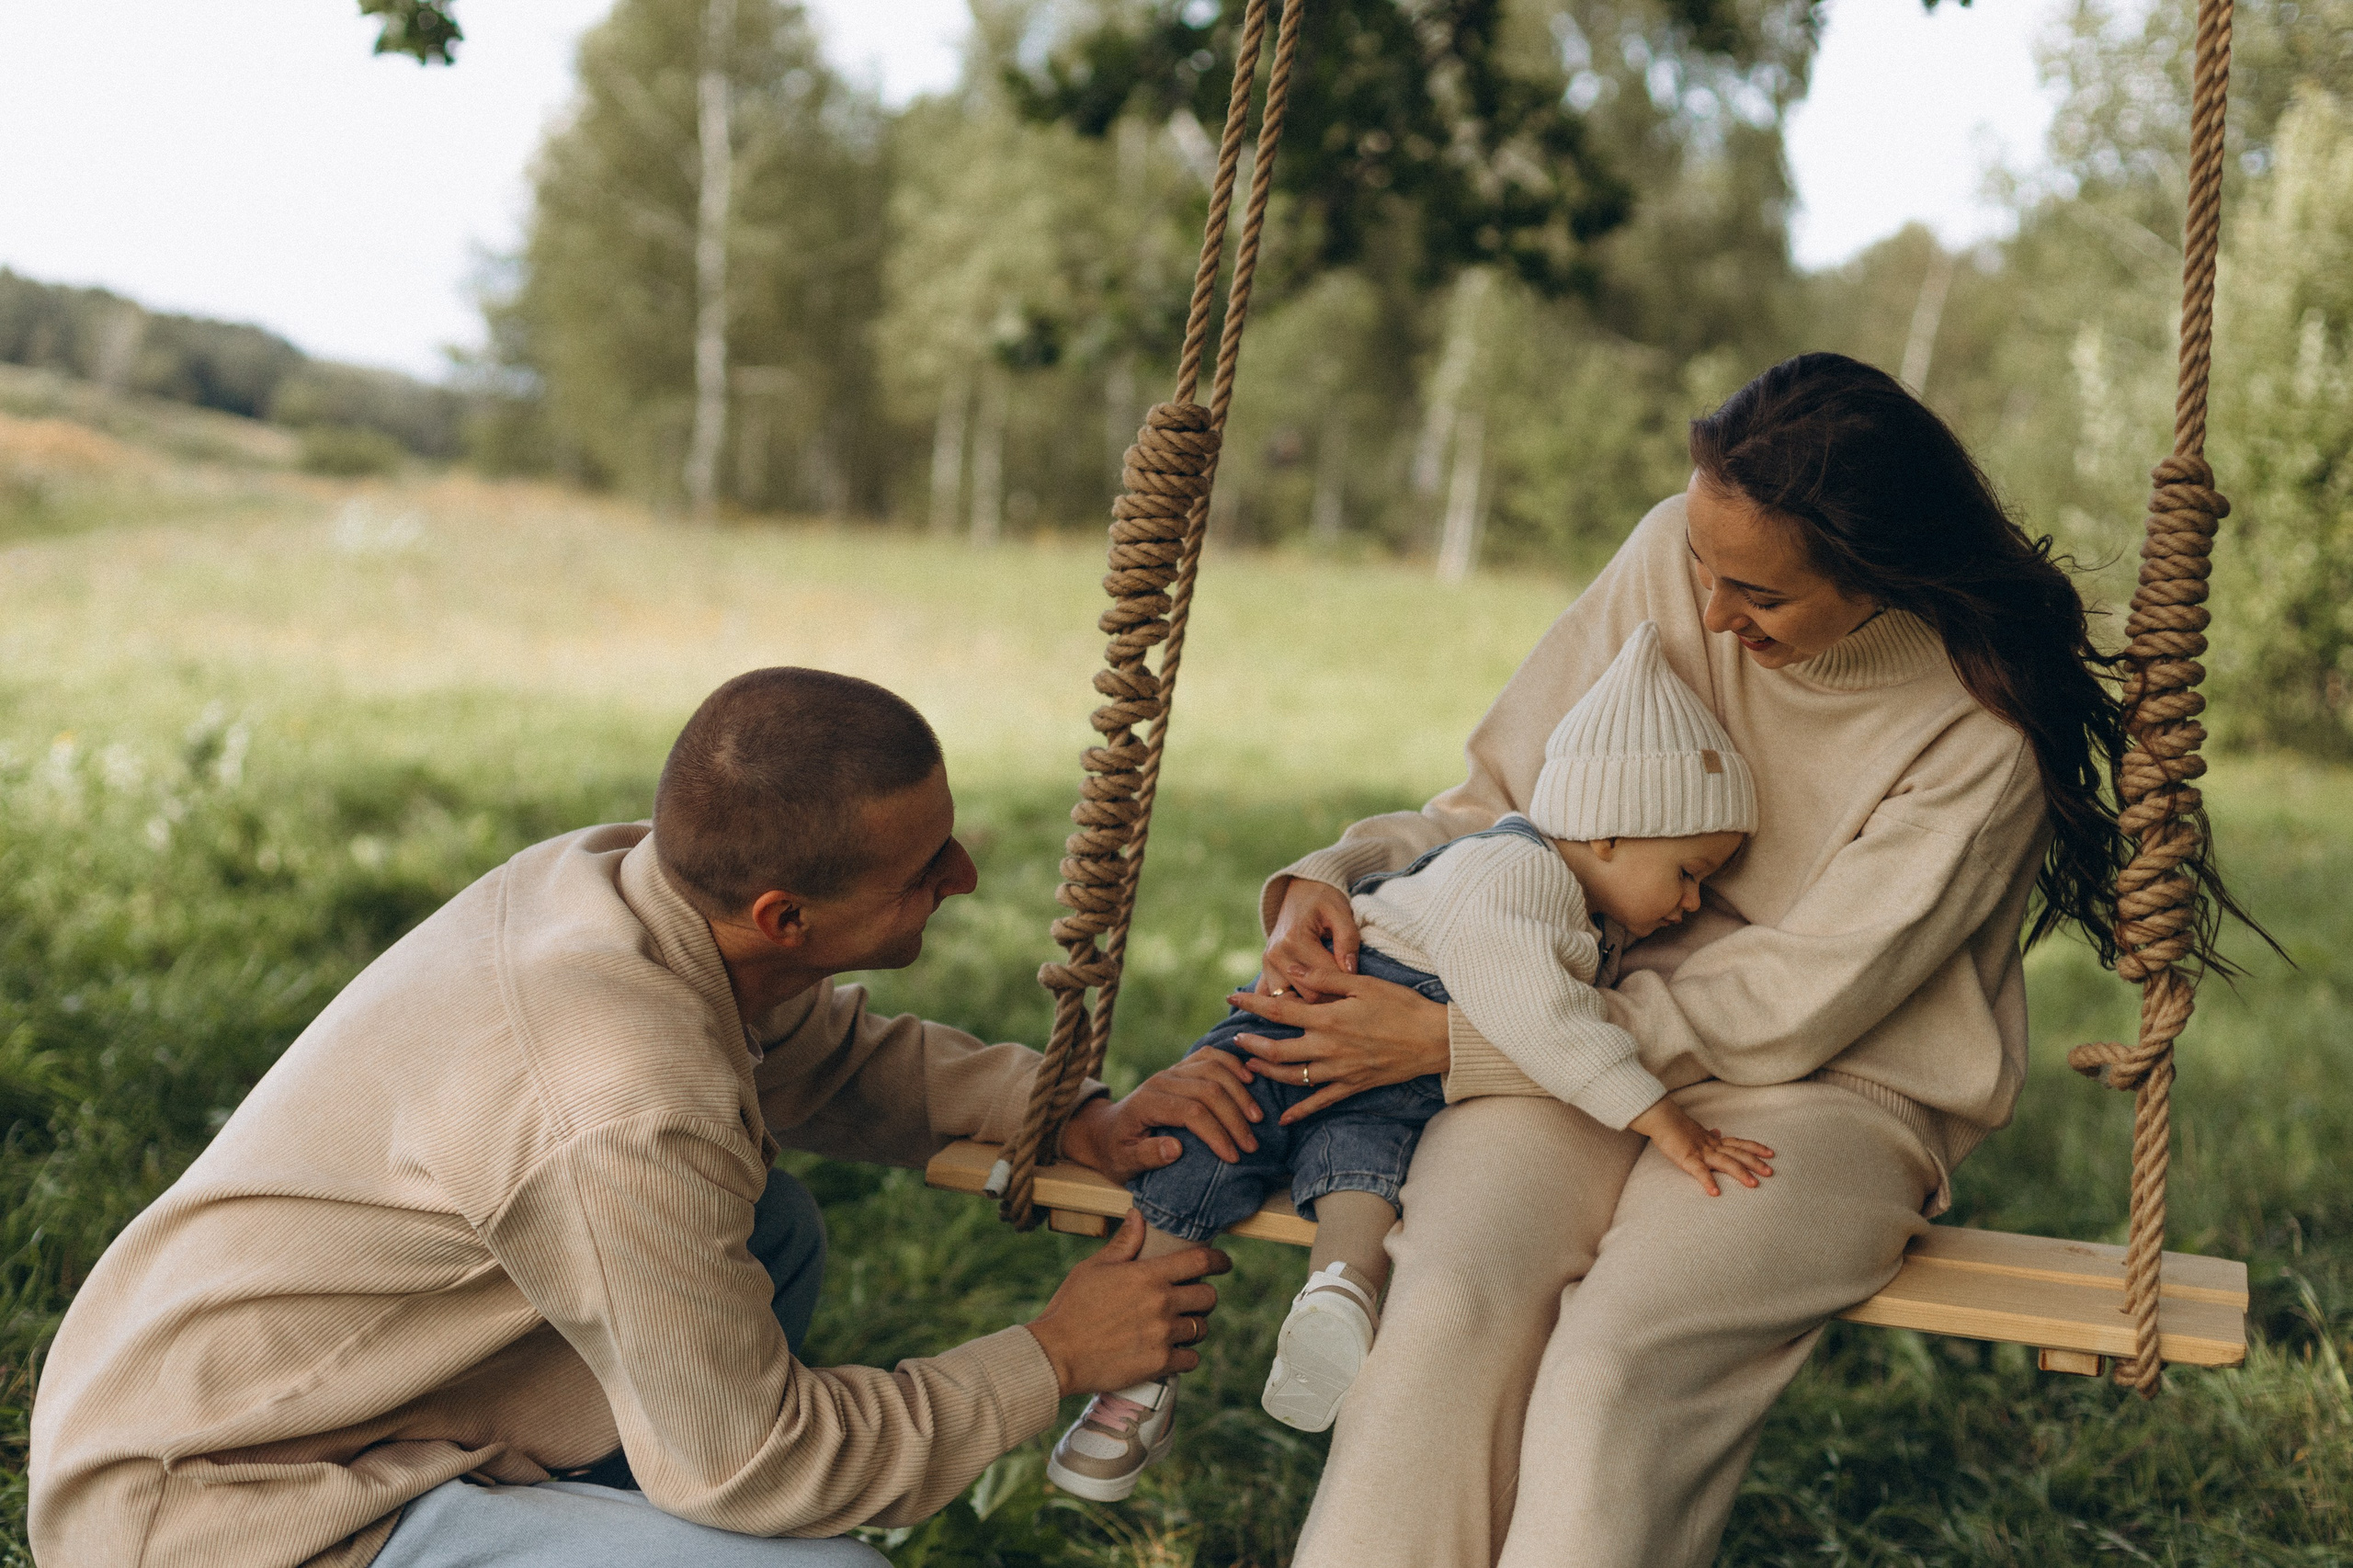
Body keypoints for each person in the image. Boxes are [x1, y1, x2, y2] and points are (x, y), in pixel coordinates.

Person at [1207, 353, 2226, 1567]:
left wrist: (1467, 1039)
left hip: (1828, 1090)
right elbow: (1508, 811)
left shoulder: (1978, 729)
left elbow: (1796, 1002)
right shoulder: (1675, 556)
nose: (1712, 614)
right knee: (1446, 1305)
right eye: (1703, 565)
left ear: (1881, 574)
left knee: (1610, 1370)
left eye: (1760, 594)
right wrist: (1338, 870)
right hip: (1565, 1024)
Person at [28, 667, 1272, 1568]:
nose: (965, 876)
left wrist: (1060, 1115)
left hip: (264, 1401)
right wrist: (1052, 1355)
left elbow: (818, 1051)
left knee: (772, 1227)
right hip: (226, 1513)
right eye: (924, 868)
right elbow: (759, 1459)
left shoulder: (621, 889)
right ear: (786, 915)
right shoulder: (624, 1099)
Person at [1042, 621, 1777, 1503]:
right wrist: (1662, 1119)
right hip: (1308, 1025)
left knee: (1367, 1161)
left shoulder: (1578, 905)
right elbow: (1544, 1018)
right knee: (1207, 1137)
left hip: (1385, 1069)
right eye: (1688, 874)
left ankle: (1336, 1300)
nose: (1692, 903)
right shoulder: (1520, 877)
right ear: (1610, 835)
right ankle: (1141, 1375)